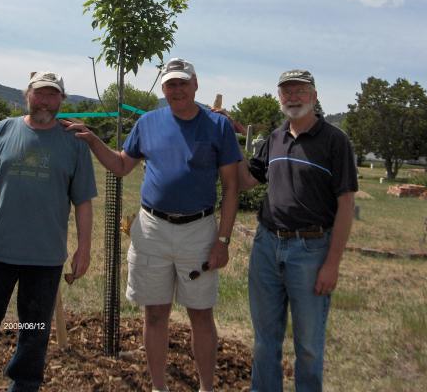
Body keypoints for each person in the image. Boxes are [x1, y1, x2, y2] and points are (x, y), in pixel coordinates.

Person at [64, 58, 241, 392]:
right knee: (155, 316)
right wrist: (92, 141)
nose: (176, 90)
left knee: (201, 315)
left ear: (195, 84)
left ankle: (206, 387)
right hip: (152, 230)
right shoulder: (147, 122)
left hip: (199, 232)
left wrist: (223, 240)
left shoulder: (217, 127)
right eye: (170, 84)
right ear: (163, 87)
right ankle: (159, 388)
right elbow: (120, 165)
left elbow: (231, 188)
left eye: (182, 83)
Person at [0, 71, 97, 392]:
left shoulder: (73, 143)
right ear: (27, 95)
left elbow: (84, 202)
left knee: (33, 329)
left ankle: (24, 385)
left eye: (52, 94)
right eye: (40, 93)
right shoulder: (2, 131)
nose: (45, 101)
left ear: (61, 99)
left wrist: (84, 247)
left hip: (44, 259)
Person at [237, 69, 358, 392]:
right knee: (264, 342)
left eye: (300, 91)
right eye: (287, 91)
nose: (293, 97)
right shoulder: (274, 139)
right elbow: (248, 180)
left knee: (307, 346)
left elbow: (346, 204)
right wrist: (226, 139)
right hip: (266, 246)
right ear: (279, 98)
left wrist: (332, 264)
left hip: (312, 250)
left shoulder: (335, 141)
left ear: (314, 96)